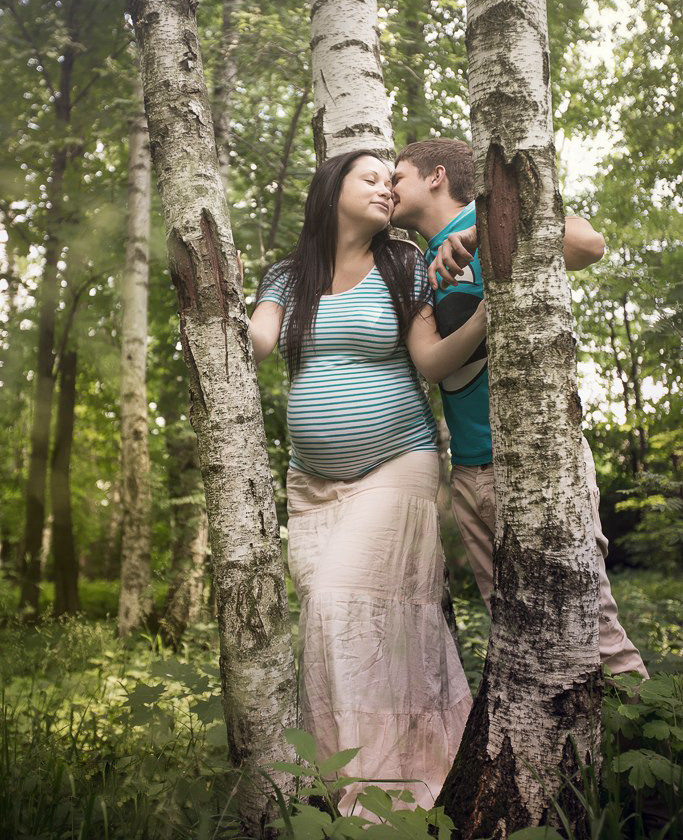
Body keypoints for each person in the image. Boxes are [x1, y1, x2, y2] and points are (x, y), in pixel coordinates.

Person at [247, 150, 485, 813]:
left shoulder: (402, 263)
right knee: (335, 630)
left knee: (333, 606)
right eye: (370, 178)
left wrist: (492, 314)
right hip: (311, 488)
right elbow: (257, 341)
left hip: (396, 465)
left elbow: (431, 362)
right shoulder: (287, 277)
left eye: (392, 179)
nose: (386, 189)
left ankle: (388, 800)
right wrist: (214, 314)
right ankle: (352, 787)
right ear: (331, 193)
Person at [391, 137, 648, 678]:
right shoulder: (413, 264)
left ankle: (652, 746)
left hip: (539, 459)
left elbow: (589, 244)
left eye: (398, 176)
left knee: (592, 626)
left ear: (436, 176)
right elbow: (432, 364)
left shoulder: (494, 216)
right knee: (515, 642)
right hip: (471, 475)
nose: (390, 189)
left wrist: (480, 231)